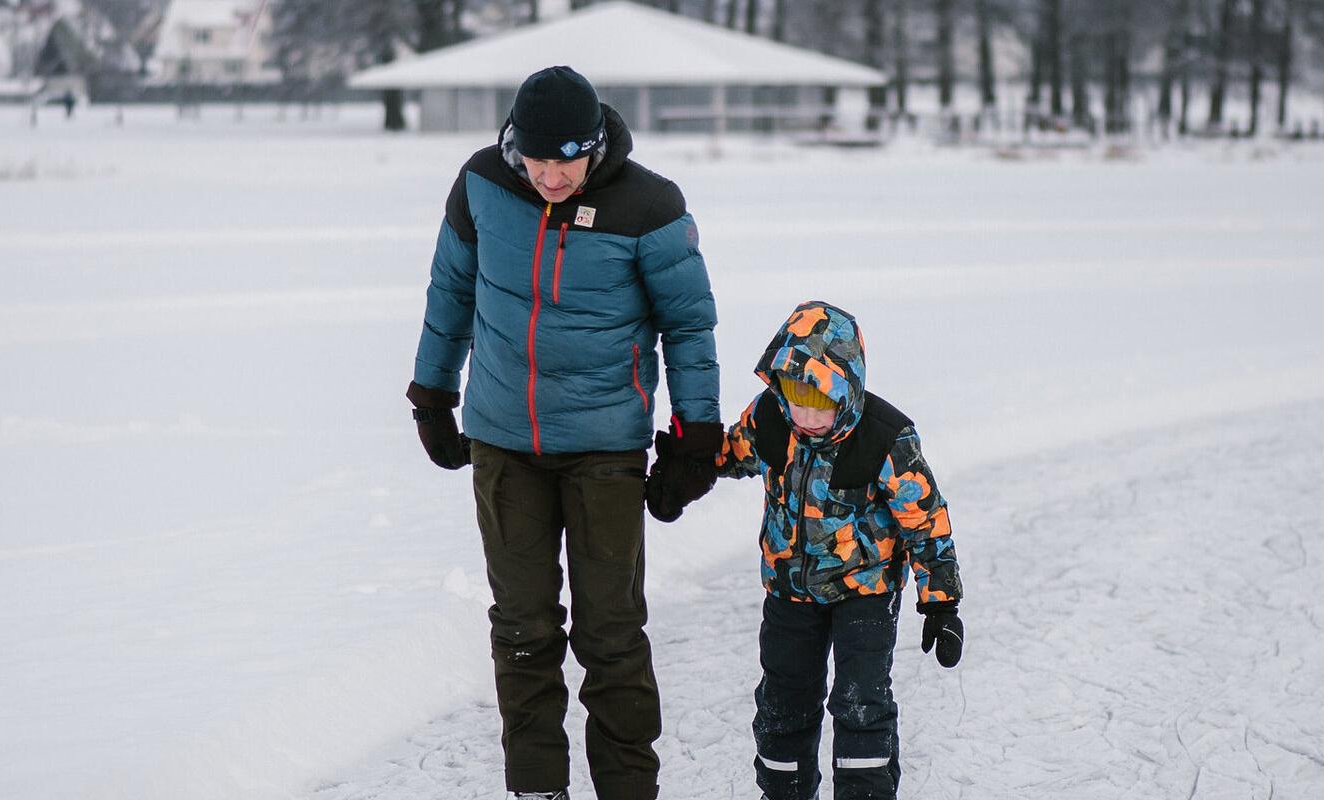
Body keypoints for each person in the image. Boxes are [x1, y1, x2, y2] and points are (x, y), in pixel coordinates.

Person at [405, 65, 724, 800]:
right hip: (503, 442)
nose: (551, 175)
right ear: (516, 145)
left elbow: (688, 324)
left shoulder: (649, 205)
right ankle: (538, 787)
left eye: (568, 159)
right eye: (538, 158)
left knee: (610, 634)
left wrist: (696, 435)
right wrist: (432, 394)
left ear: (597, 145)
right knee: (522, 628)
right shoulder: (484, 184)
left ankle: (626, 788)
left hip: (605, 448)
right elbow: (450, 290)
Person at [709, 301, 965, 800]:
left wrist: (941, 602)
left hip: (864, 592)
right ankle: (783, 792)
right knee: (784, 699)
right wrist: (692, 465)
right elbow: (735, 451)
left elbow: (926, 520)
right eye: (794, 397)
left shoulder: (885, 437)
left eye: (819, 402)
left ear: (845, 389)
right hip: (789, 589)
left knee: (861, 702)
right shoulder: (773, 417)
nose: (805, 416)